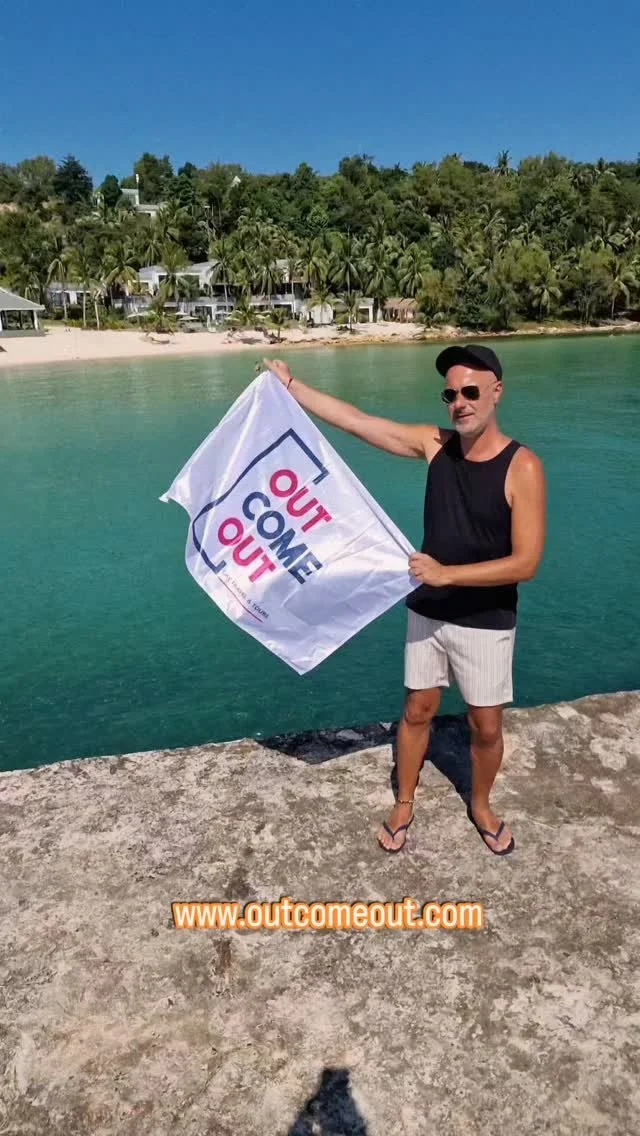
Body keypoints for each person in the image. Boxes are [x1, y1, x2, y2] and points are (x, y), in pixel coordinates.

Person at [264, 347, 546, 856]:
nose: (459, 403)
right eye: (450, 394)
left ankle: (481, 804)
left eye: (471, 391)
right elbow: (358, 422)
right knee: (417, 710)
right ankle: (405, 800)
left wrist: (447, 573)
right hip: (428, 609)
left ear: (496, 392)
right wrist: (290, 387)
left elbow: (526, 563)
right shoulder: (435, 446)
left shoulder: (521, 466)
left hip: (486, 617)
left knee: (486, 726)